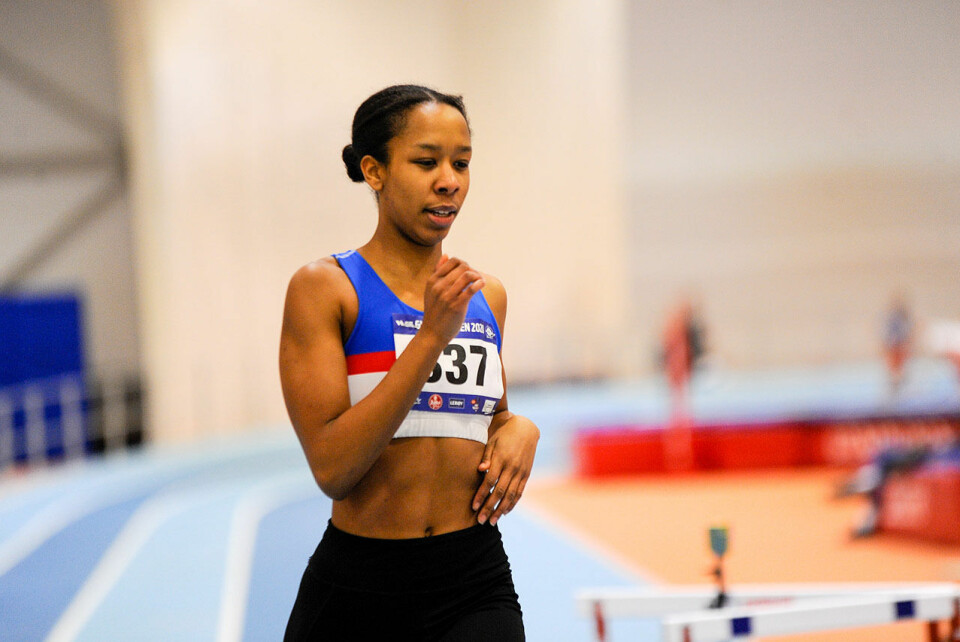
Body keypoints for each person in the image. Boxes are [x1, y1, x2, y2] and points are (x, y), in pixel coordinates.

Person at [278, 85, 540, 641]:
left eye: (461, 163)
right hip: (360, 590)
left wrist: (520, 428)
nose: (449, 180)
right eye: (426, 162)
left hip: (474, 580)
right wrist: (430, 337)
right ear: (374, 171)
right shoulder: (325, 289)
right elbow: (334, 469)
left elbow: (490, 419)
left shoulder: (485, 295)